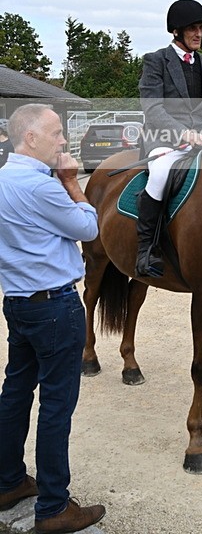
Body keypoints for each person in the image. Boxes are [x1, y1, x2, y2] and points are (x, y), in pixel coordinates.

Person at [0, 104, 105, 533]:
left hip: (20, 302)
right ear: (31, 138)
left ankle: (7, 481)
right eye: (57, 133)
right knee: (57, 405)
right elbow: (88, 228)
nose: (63, 140)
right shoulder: (43, 186)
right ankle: (54, 507)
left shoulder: (4, 177)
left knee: (16, 391)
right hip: (56, 306)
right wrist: (71, 182)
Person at [137, 0, 202, 277]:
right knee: (162, 173)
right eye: (192, 28)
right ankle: (145, 249)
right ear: (176, 31)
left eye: (201, 28)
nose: (198, 34)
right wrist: (183, 132)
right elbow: (152, 108)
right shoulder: (156, 61)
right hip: (164, 140)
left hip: (200, 141)